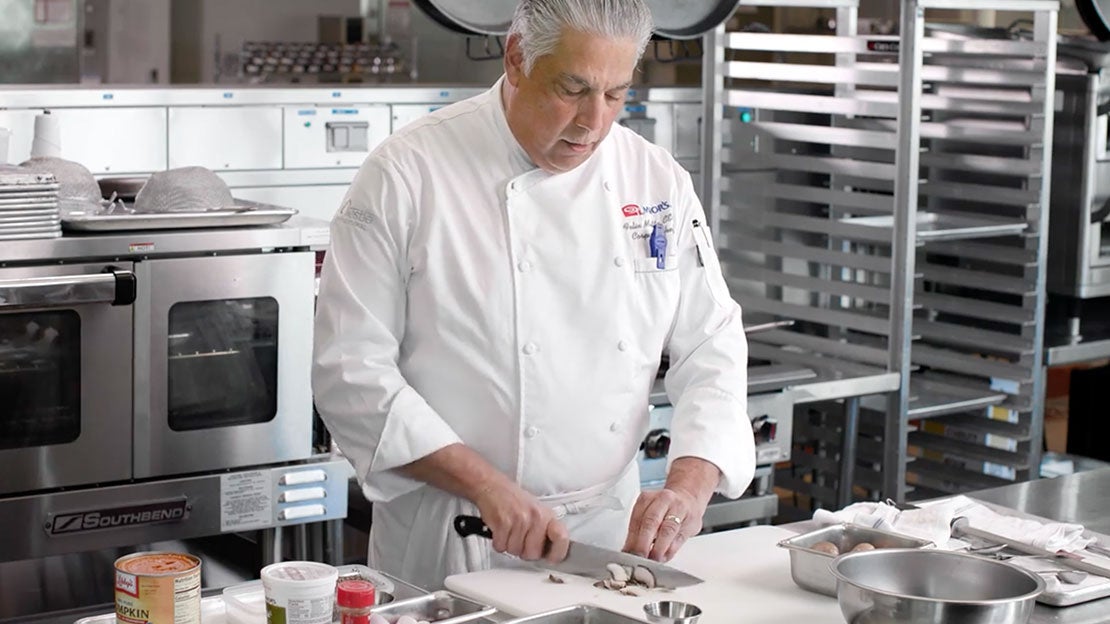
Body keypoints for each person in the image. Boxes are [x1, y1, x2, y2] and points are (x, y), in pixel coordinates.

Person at [312, 0, 754, 591]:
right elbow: (350, 371)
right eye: (572, 89)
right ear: (517, 59)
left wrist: (689, 484)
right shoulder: (407, 173)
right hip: (454, 538)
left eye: (616, 94)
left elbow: (713, 343)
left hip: (607, 540)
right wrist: (487, 485)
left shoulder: (655, 179)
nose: (594, 123)